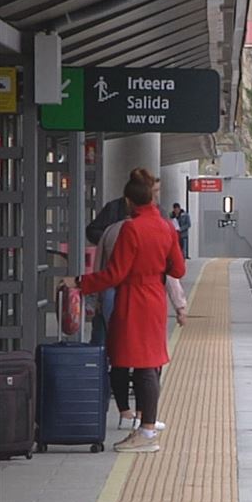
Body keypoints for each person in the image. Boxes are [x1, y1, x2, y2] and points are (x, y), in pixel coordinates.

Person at [71, 169, 185, 453]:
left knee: (136, 364)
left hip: (133, 300)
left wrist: (79, 283)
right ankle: (146, 427)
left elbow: (114, 274)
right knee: (148, 363)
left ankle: (146, 432)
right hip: (155, 299)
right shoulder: (166, 228)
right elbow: (179, 269)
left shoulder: (131, 229)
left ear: (129, 201)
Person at [90, 192, 188, 430]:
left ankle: (124, 411)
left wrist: (92, 295)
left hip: (115, 295)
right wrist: (180, 305)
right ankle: (146, 421)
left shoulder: (112, 231)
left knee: (118, 355)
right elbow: (175, 273)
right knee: (149, 361)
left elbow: (103, 268)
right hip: (147, 299)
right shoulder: (161, 229)